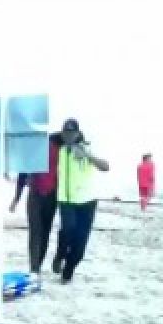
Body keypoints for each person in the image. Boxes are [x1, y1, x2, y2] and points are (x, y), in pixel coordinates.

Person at [53, 119, 110, 284]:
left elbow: (105, 167)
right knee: (67, 230)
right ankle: (60, 254)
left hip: (87, 202)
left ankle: (68, 270)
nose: (68, 136)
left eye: (72, 133)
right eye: (66, 133)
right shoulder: (59, 148)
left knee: (80, 242)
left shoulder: (87, 147)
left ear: (78, 133)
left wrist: (86, 154)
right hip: (66, 200)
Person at [9, 132, 64, 279]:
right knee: (35, 231)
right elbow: (22, 174)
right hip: (35, 194)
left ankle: (38, 263)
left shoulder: (57, 143)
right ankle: (34, 267)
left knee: (45, 231)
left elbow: (71, 136)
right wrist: (16, 198)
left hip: (52, 195)